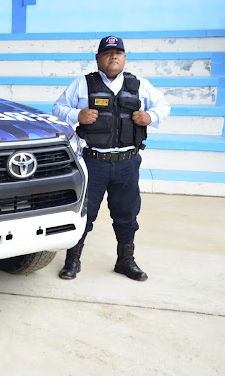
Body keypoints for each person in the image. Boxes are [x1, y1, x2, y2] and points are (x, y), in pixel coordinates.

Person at [52, 36, 170, 281]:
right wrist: (77, 114)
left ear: (125, 58)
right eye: (107, 53)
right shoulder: (82, 84)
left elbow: (164, 106)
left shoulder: (140, 85)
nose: (113, 56)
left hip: (127, 163)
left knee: (127, 214)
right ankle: (72, 260)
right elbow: (57, 109)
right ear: (98, 58)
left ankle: (125, 261)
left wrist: (150, 116)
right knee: (86, 213)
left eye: (118, 53)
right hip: (93, 162)